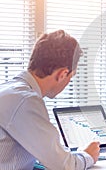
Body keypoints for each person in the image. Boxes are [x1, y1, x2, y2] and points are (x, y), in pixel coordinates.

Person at [0, 30, 100, 170]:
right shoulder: (25, 101)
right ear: (62, 74)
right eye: (71, 76)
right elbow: (65, 166)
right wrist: (88, 155)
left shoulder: (10, 90)